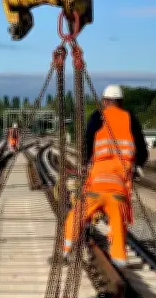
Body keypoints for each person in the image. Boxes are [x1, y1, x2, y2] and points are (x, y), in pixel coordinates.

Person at [53, 84, 149, 268]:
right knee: (119, 225)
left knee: (76, 216)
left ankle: (65, 251)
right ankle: (120, 263)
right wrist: (138, 166)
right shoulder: (131, 118)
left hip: (96, 187)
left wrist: (84, 163)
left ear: (105, 101)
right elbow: (142, 149)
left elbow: (88, 141)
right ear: (121, 102)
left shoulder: (98, 117)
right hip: (119, 190)